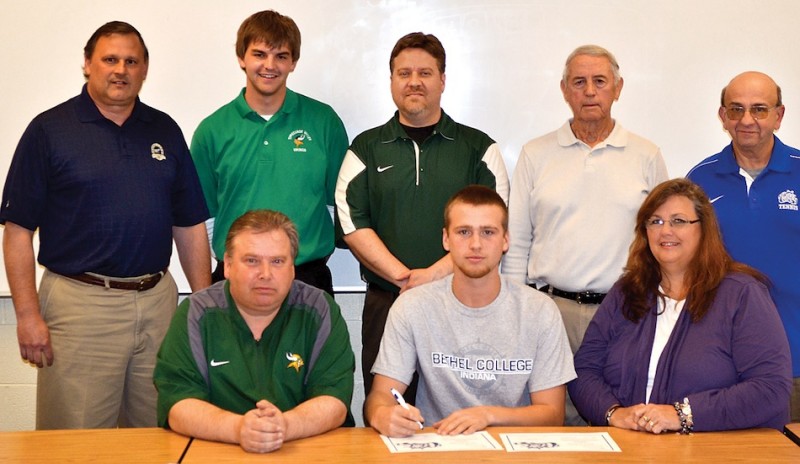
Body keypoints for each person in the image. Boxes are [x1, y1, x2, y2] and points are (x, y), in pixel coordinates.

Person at [0, 21, 211, 430]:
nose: (121, 70)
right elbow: (17, 231)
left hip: (157, 304)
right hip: (81, 305)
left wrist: (202, 304)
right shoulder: (49, 130)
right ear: (87, 64)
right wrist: (27, 315)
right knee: (74, 441)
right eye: (110, 59)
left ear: (145, 69)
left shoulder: (164, 129)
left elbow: (188, 224)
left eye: (131, 61)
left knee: (157, 432)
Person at [335, 32, 509, 404]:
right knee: (387, 410)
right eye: (404, 73)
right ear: (392, 80)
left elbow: (495, 223)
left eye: (425, 73)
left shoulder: (479, 148)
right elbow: (351, 220)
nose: (414, 82)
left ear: (443, 80)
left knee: (459, 409)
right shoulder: (365, 147)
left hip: (462, 302)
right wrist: (403, 278)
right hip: (386, 301)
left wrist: (430, 277)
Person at [502, 44, 668, 425]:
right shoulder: (535, 153)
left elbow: (664, 237)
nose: (589, 91)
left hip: (626, 309)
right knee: (554, 419)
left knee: (621, 415)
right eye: (579, 82)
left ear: (618, 88)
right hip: (551, 311)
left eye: (599, 81)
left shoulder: (646, 154)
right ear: (564, 90)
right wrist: (516, 312)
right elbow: (518, 241)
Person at [569, 179, 791, 433]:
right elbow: (584, 370)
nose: (666, 231)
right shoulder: (626, 291)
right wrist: (613, 413)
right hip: (632, 447)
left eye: (678, 221)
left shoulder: (742, 294)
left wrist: (683, 415)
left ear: (703, 229)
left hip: (718, 449)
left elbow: (770, 388)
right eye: (655, 221)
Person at [364, 185, 574, 438]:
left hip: (514, 450)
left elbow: (552, 415)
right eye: (464, 232)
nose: (475, 244)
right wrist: (381, 415)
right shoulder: (412, 306)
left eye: (488, 232)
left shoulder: (540, 311)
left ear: (506, 240)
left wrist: (487, 416)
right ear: (445, 239)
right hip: (439, 446)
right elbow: (381, 396)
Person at [154, 210, 355, 454]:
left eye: (278, 261)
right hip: (215, 450)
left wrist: (284, 426)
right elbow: (177, 402)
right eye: (252, 260)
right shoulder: (197, 313)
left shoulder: (319, 310)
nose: (265, 274)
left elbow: (334, 398)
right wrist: (238, 428)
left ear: (292, 268)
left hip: (304, 449)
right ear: (227, 265)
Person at [191, 10, 348, 296]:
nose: (269, 65)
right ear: (242, 58)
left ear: (293, 63)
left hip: (307, 278)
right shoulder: (212, 131)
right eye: (259, 54)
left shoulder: (324, 122)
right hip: (235, 279)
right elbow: (205, 215)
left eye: (281, 56)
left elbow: (335, 202)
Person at [687, 71, 800, 422]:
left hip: (797, 359)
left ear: (779, 116)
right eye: (736, 109)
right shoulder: (698, 181)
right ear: (723, 117)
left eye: (759, 109)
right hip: (725, 365)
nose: (746, 120)